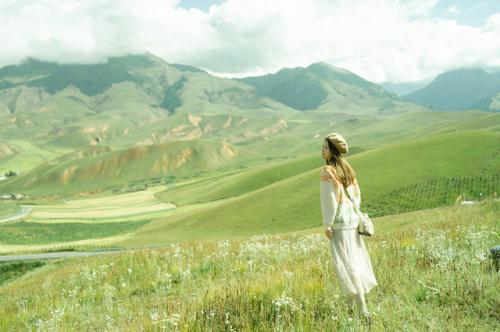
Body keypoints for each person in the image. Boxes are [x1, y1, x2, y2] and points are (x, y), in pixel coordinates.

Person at [320, 133, 378, 324]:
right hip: (352, 222)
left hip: (340, 224)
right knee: (353, 263)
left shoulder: (328, 171)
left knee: (348, 267)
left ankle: (364, 311)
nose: (322, 150)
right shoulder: (347, 169)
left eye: (326, 147)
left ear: (333, 150)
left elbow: (329, 201)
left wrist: (328, 224)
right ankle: (350, 310)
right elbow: (358, 196)